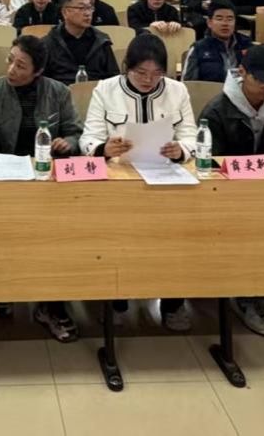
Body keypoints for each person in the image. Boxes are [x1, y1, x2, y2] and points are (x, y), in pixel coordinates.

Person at [80, 34, 196, 331]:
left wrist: (181, 150)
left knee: (177, 238)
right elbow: (88, 137)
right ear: (126, 67)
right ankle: (117, 300)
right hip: (120, 178)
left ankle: (173, 302)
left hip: (166, 176)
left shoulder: (178, 91)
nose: (148, 80)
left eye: (157, 74)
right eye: (141, 73)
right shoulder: (105, 89)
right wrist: (104, 148)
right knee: (117, 237)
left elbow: (191, 136)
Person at [0, 35, 82, 340]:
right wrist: (2, 161)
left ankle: (51, 304)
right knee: (3, 234)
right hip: (4, 178)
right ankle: (3, 289)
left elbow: (75, 132)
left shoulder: (58, 92)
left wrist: (67, 143)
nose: (11, 69)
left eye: (21, 66)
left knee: (55, 241)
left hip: (47, 180)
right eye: (10, 60)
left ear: (38, 71)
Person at [200, 47, 264, 335]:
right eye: (262, 81)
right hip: (231, 196)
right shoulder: (217, 111)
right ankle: (246, 296)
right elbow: (210, 164)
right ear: (243, 73)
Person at [42, 0, 119, 84]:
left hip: (96, 90)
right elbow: (42, 81)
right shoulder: (49, 43)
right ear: (65, 12)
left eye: (89, 8)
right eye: (81, 8)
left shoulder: (101, 41)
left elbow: (113, 77)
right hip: (61, 91)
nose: (87, 13)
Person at [182, 1, 251, 83]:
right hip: (210, 90)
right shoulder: (199, 48)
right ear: (209, 22)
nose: (225, 23)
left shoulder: (247, 45)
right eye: (219, 19)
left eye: (230, 19)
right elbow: (188, 84)